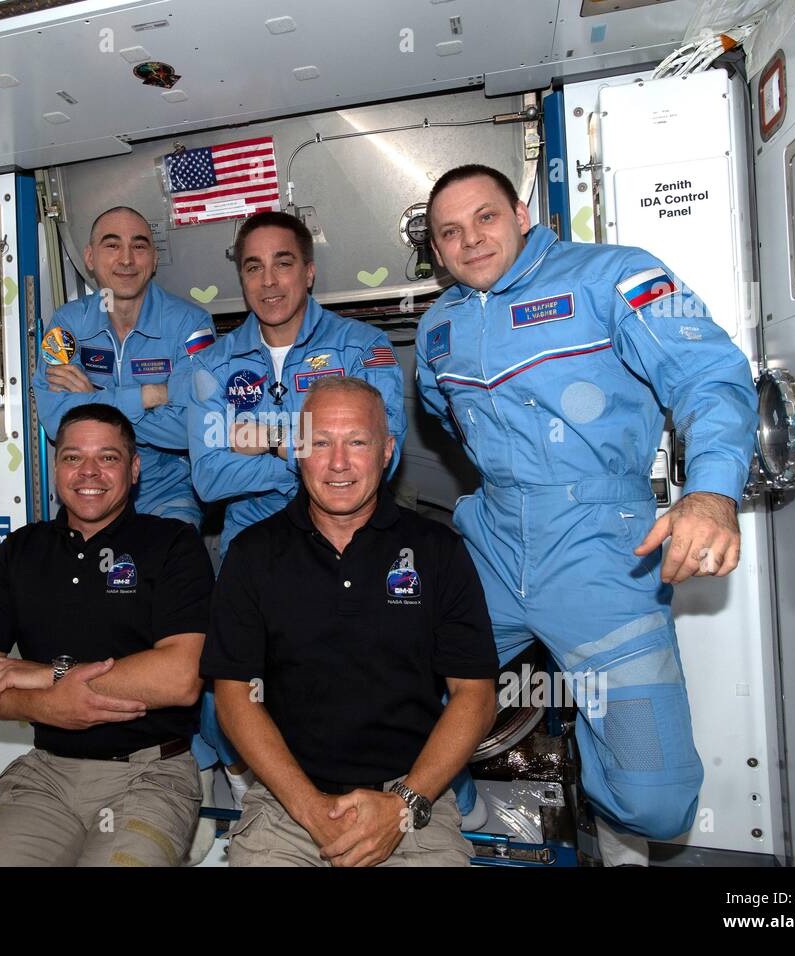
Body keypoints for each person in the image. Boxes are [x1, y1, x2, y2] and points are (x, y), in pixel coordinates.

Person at [414, 163, 757, 865]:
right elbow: (443, 417)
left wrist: (712, 490)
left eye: (484, 217)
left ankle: (580, 771)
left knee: (658, 805)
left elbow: (711, 376)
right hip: (493, 547)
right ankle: (450, 794)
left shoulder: (615, 277)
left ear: (520, 212)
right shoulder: (437, 327)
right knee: (380, 679)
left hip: (601, 551)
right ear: (437, 250)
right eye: (449, 232)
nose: (470, 240)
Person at [201, 376, 498, 866]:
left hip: (412, 802)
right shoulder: (253, 554)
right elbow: (233, 698)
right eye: (321, 442)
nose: (338, 463)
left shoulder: (438, 551)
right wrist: (310, 809)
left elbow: (475, 695)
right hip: (287, 804)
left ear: (387, 452)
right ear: (298, 451)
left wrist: (403, 803)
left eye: (356, 442)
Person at [184, 209, 409, 807]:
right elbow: (208, 476)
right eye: (253, 266)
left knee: (351, 684)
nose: (269, 280)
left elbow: (379, 454)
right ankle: (246, 794)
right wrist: (305, 446)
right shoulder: (211, 365)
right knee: (228, 696)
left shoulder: (364, 348)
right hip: (250, 550)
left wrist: (266, 436)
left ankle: (386, 804)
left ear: (308, 271)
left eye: (284, 262)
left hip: (344, 545)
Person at [0, 404, 213, 866]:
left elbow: (180, 677)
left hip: (150, 773)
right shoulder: (21, 550)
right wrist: (45, 704)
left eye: (108, 458)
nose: (88, 472)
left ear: (133, 470)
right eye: (73, 457)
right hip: (46, 774)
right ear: (56, 468)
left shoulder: (174, 545)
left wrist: (48, 674)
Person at [33, 206, 217, 526]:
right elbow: (56, 420)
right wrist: (149, 395)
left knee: (174, 565)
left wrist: (94, 399)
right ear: (90, 258)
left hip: (167, 494)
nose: (127, 259)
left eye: (139, 245)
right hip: (91, 491)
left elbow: (194, 427)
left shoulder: (191, 323)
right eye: (112, 245)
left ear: (154, 259)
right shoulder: (68, 323)